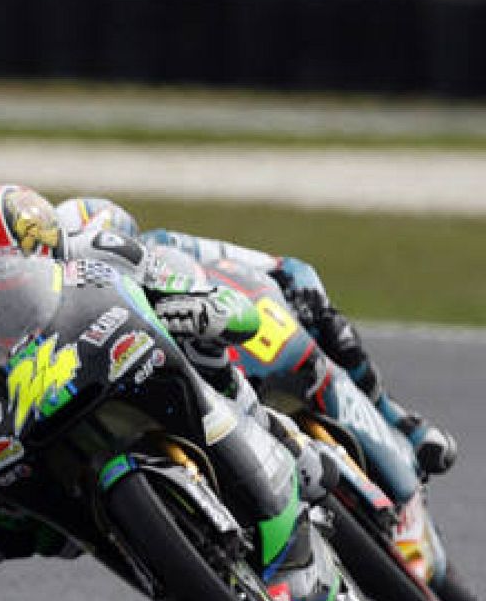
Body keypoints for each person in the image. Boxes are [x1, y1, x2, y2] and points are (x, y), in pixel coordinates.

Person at [0, 252, 354, 601]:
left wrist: (196, 308)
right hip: (51, 415)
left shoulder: (95, 259)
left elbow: (191, 285)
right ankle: (138, 560)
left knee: (209, 366)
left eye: (9, 259)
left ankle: (280, 439)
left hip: (143, 366)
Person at [54, 195, 458, 478]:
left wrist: (287, 281)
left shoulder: (162, 245)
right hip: (175, 383)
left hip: (231, 336)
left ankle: (396, 418)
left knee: (320, 313)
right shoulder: (79, 311)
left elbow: (272, 265)